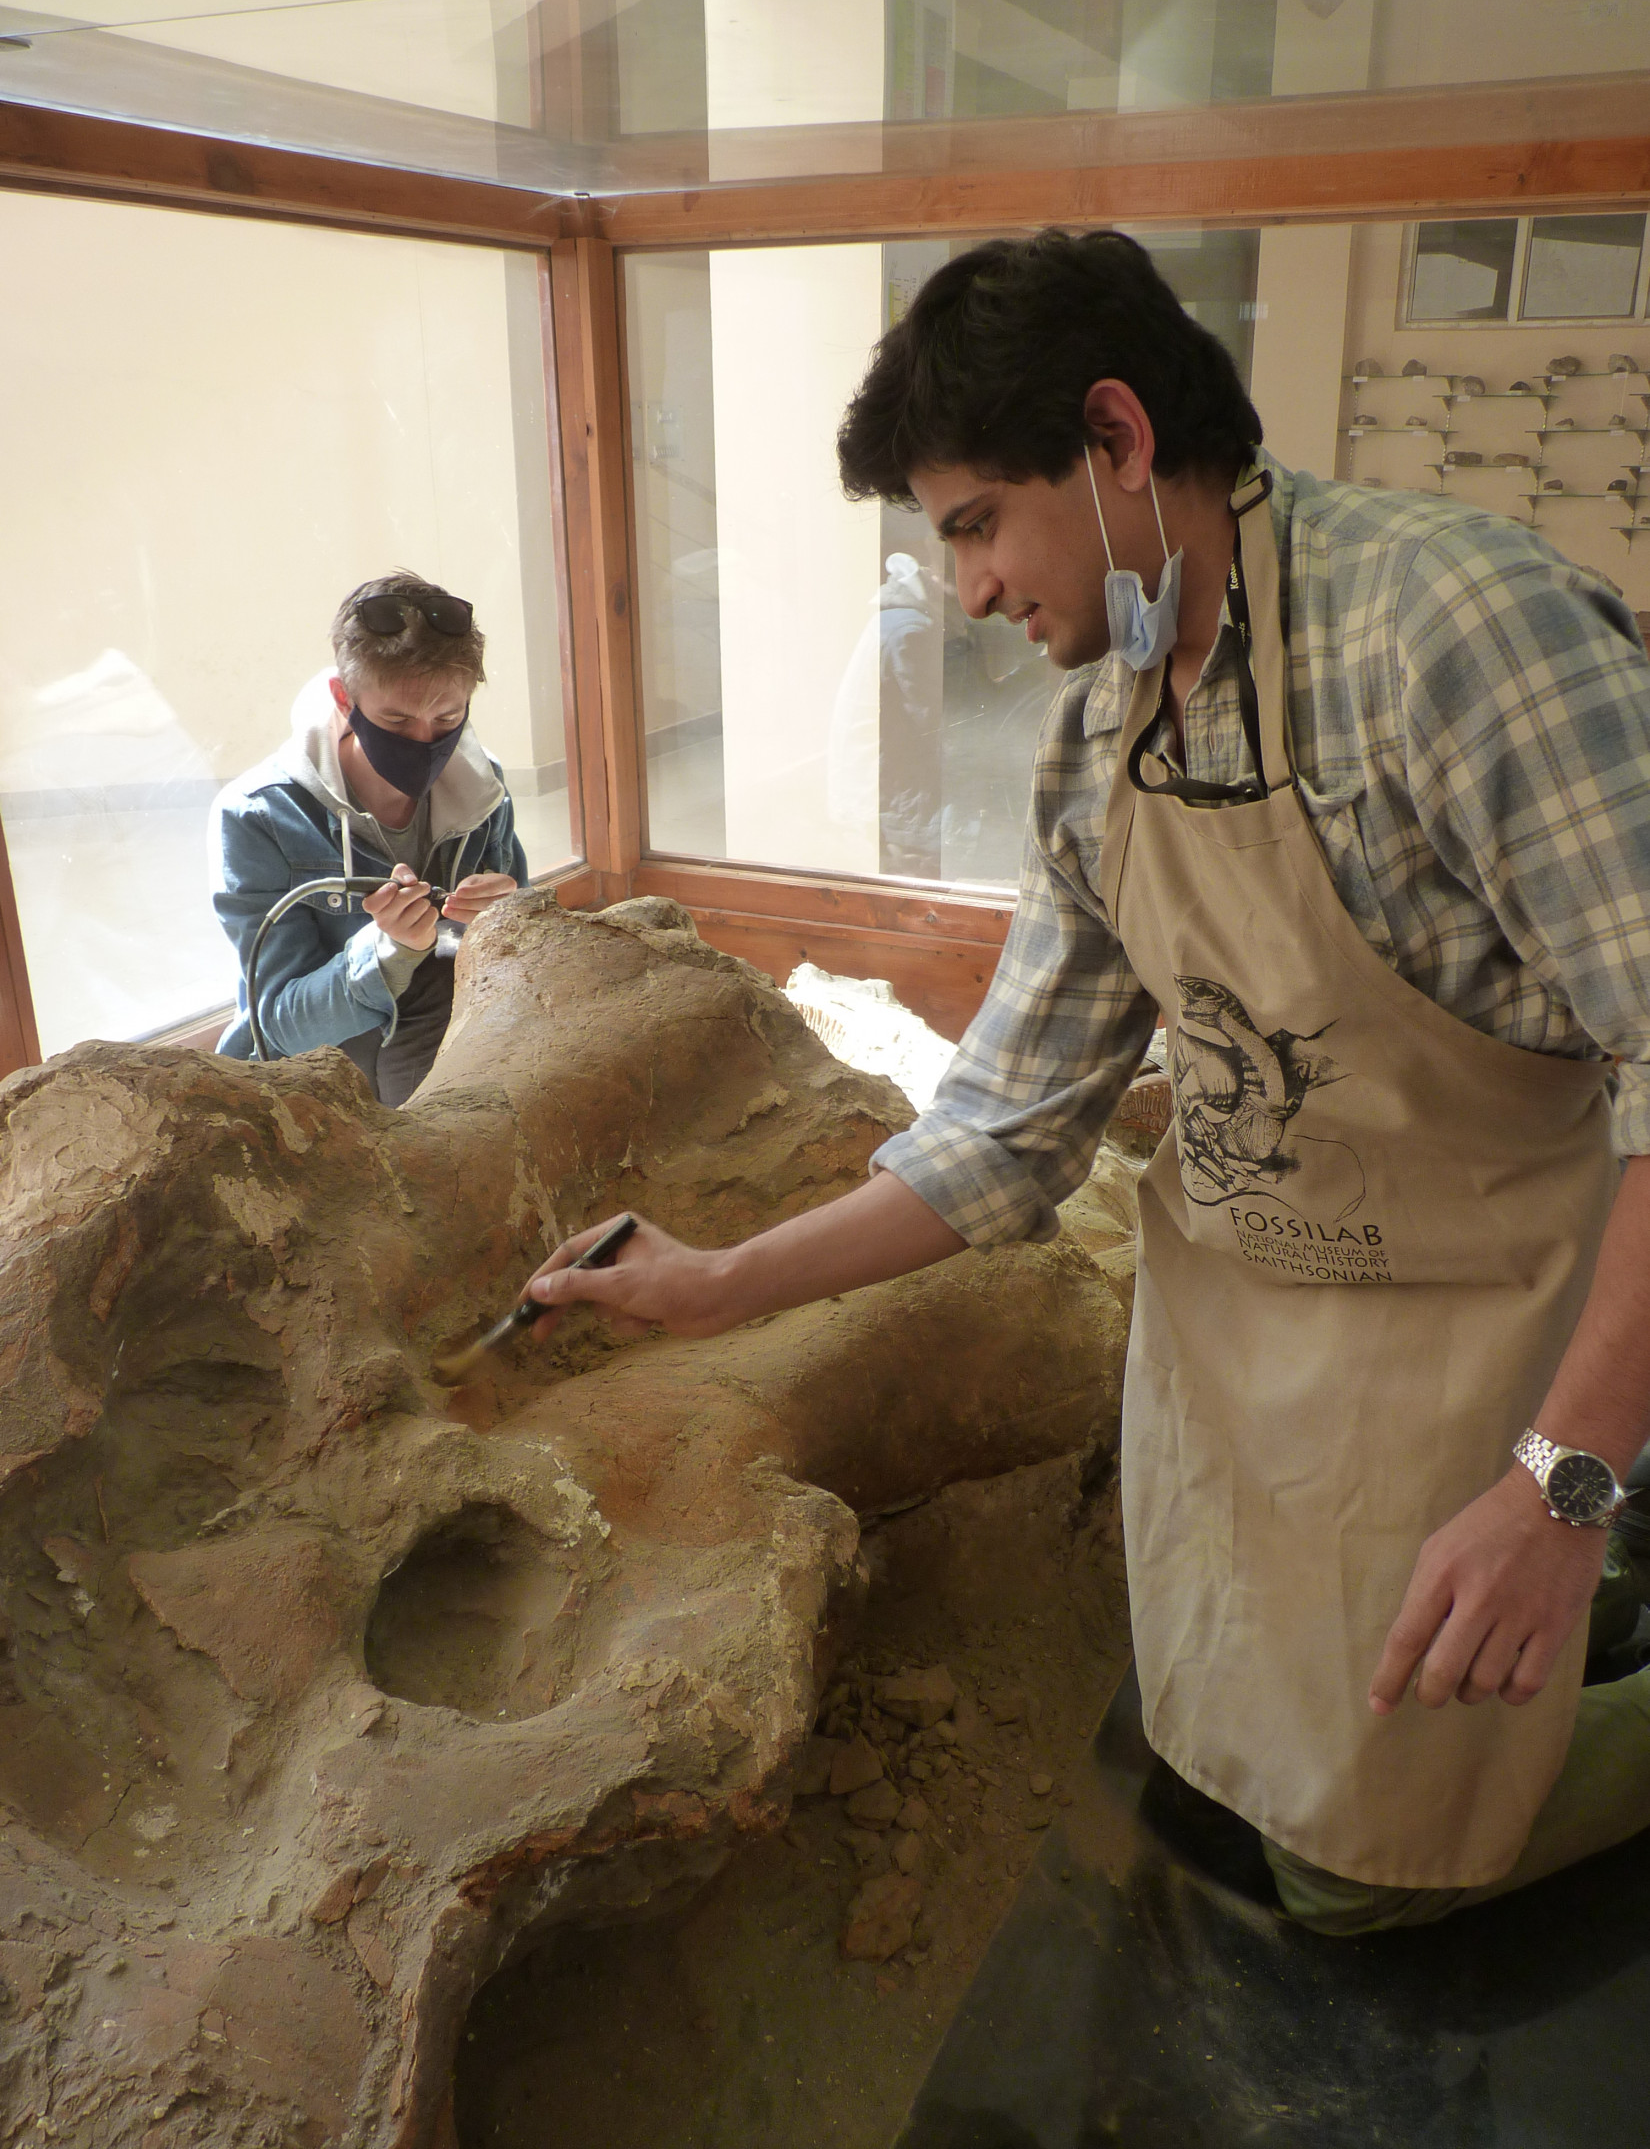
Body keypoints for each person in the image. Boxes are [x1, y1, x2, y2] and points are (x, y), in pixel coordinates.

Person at [513, 229, 1650, 1935]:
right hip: (1242, 1354)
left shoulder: (1452, 636)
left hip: (1473, 1344)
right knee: (1210, 1749)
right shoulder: (1100, 726)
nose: (963, 586)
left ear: (1118, 442)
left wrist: (1564, 1486)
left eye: (975, 522)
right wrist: (720, 1287)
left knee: (1358, 1876)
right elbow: (1007, 1130)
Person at [211, 573, 526, 1105]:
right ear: (342, 697)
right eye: (396, 720)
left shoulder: (483, 789)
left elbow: (523, 969)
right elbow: (278, 1028)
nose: (425, 741)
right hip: (322, 1095)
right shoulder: (259, 816)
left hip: (451, 1052)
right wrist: (386, 952)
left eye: (447, 717)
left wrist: (511, 921)